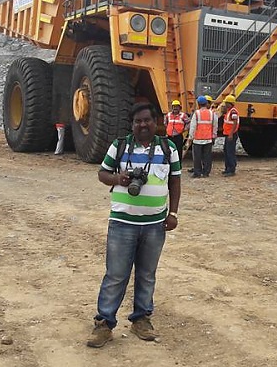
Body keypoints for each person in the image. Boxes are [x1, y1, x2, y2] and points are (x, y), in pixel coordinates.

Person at [88, 101, 181, 348]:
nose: (142, 125)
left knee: (147, 274)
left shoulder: (168, 148)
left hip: (155, 224)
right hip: (122, 223)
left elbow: (175, 182)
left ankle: (141, 320)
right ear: (132, 124)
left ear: (156, 122)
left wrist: (172, 213)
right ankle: (104, 324)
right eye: (137, 121)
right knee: (116, 274)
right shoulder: (119, 146)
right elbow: (102, 174)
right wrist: (118, 178)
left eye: (147, 120)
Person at [185, 96, 216, 178]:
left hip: (197, 140)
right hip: (208, 139)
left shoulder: (197, 113)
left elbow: (193, 127)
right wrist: (213, 136)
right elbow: (215, 126)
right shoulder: (212, 113)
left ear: (198, 104)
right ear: (206, 103)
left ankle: (197, 173)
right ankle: (206, 173)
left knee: (197, 157)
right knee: (207, 157)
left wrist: (190, 138)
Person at [221, 95, 240, 176]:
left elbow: (235, 123)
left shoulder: (233, 111)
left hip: (231, 134)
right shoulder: (229, 111)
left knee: (230, 151)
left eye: (226, 103)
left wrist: (231, 134)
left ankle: (231, 169)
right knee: (226, 150)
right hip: (228, 134)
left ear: (230, 103)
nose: (225, 104)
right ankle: (227, 168)